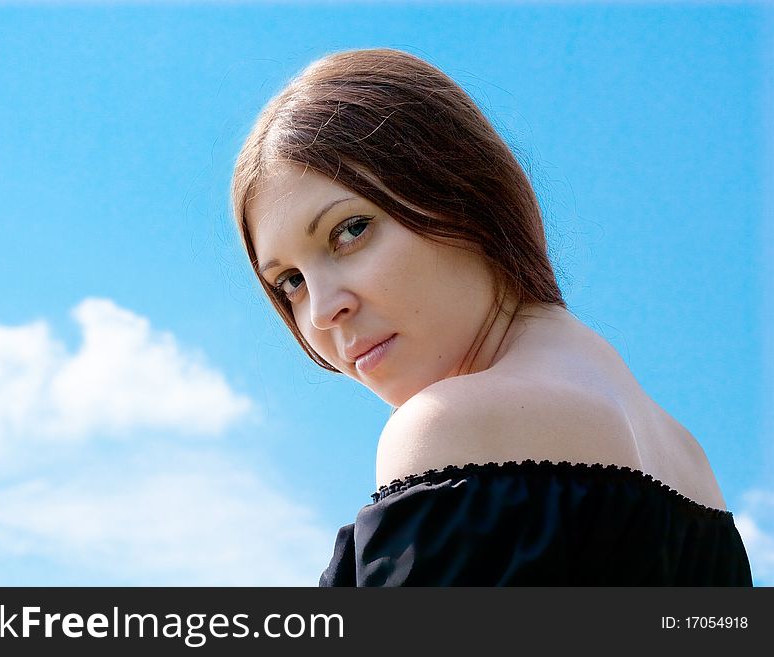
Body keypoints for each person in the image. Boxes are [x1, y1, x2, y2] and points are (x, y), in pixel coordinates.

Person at [230, 47, 753, 585]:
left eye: (351, 229)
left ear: (462, 191)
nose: (321, 312)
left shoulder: (448, 432)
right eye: (289, 282)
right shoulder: (690, 466)